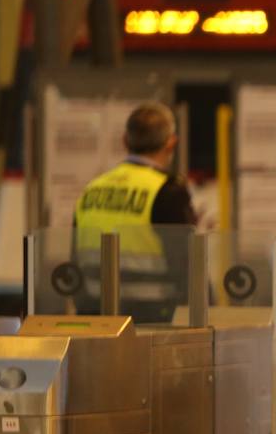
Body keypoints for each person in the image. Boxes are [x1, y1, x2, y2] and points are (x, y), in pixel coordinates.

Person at [73, 102, 195, 319]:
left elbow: (74, 265)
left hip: (95, 318)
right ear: (171, 143)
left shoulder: (92, 189)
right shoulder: (167, 191)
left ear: (125, 140)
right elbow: (188, 265)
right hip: (152, 320)